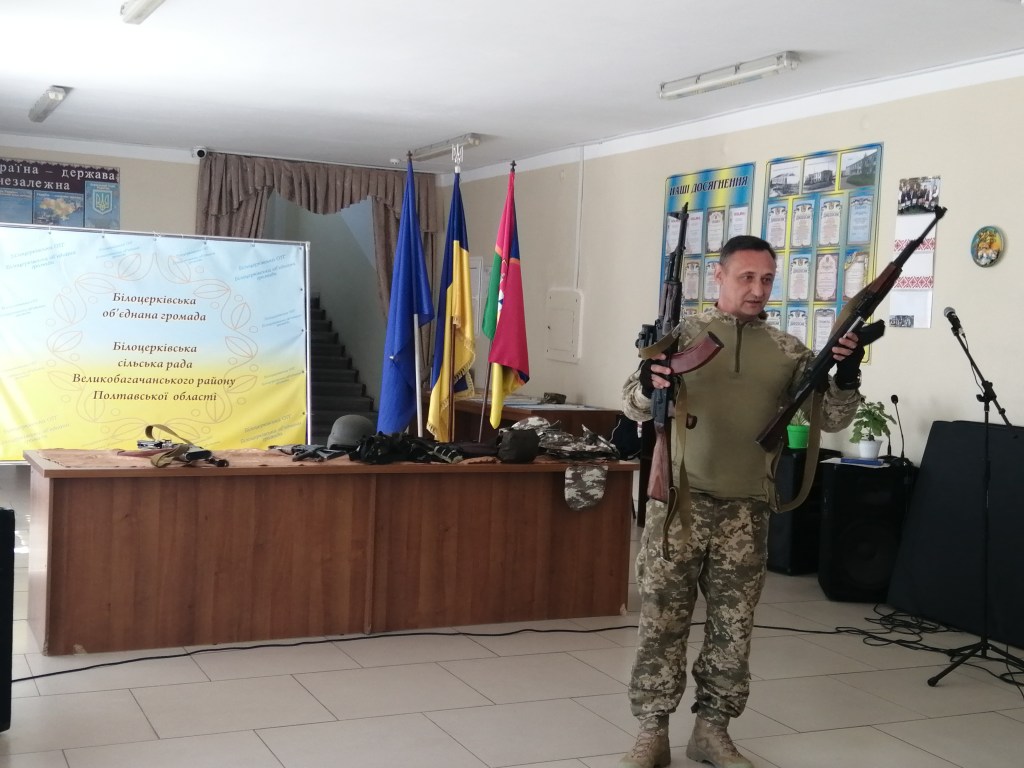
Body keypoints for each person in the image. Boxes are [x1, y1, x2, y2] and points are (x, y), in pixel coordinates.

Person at [617, 235, 864, 768]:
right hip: (677, 505)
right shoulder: (680, 335)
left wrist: (846, 373)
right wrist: (650, 383)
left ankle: (712, 730)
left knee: (733, 628)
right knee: (661, 620)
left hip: (745, 510)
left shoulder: (788, 351)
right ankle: (651, 732)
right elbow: (632, 405)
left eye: (767, 279)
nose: (757, 289)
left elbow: (832, 418)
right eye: (746, 277)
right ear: (720, 276)